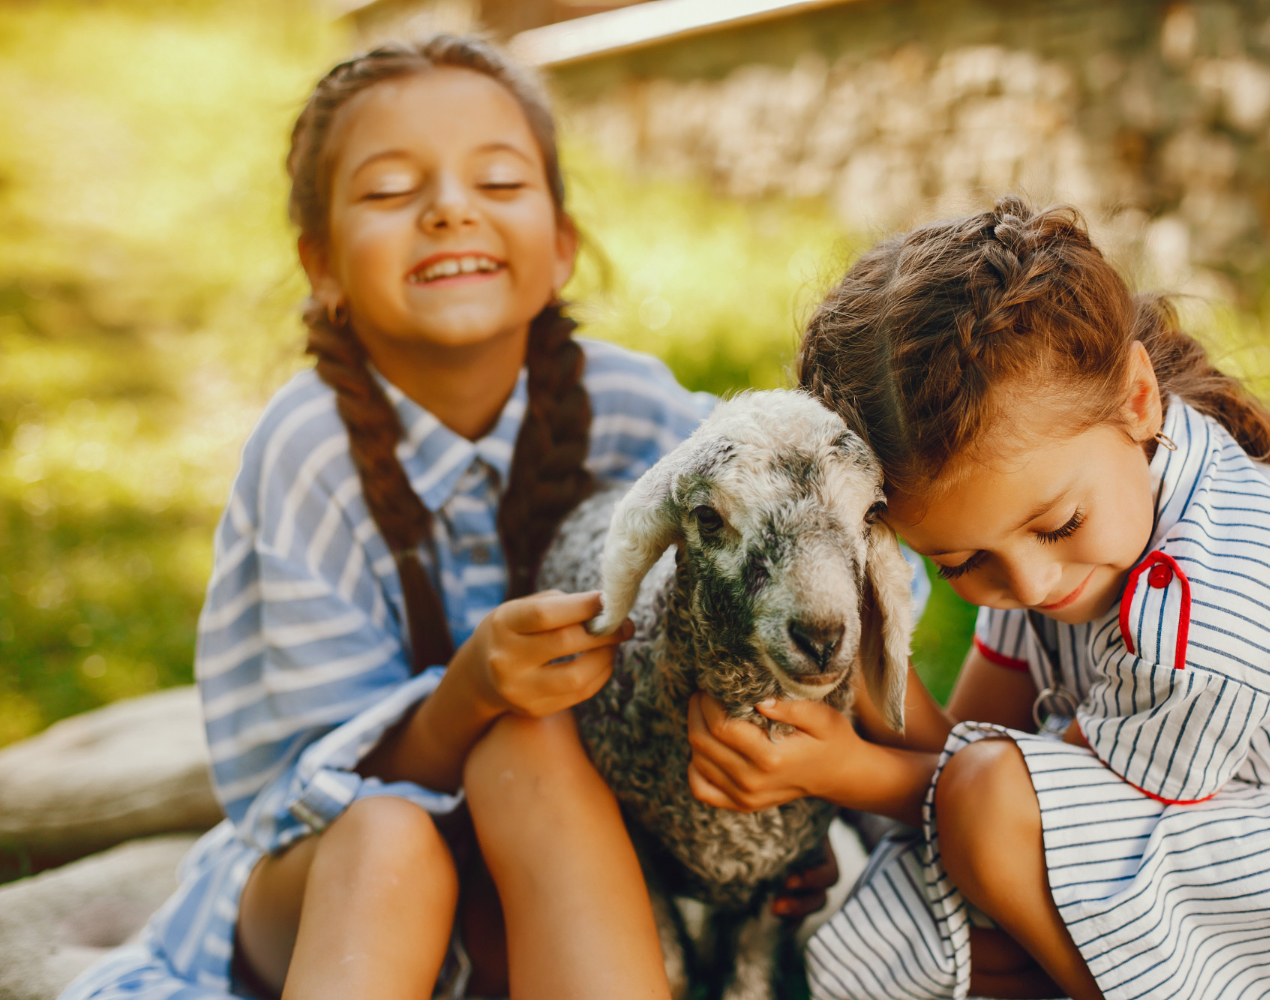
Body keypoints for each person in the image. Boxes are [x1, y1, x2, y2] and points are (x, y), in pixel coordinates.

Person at [61, 35, 833, 1000]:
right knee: (407, 820)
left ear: (560, 246)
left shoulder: (641, 416)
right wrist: (468, 694)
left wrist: (788, 812)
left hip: (565, 881)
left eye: (499, 181)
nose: (449, 208)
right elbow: (304, 788)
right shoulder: (309, 452)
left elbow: (803, 546)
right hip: (337, 889)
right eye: (390, 192)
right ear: (322, 264)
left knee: (531, 744)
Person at [685, 196, 1270, 1000]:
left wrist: (845, 774)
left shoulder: (1209, 594)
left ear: (1136, 399)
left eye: (1060, 523)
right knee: (960, 886)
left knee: (983, 824)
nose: (1031, 586)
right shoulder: (1049, 539)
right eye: (964, 563)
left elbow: (1007, 805)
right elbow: (972, 748)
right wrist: (856, 689)